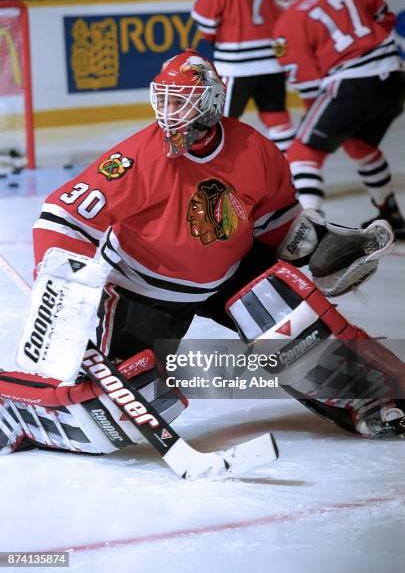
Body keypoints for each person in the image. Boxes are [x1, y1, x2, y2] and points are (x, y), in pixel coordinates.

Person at [1, 49, 403, 457]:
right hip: (145, 290)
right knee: (130, 400)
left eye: (181, 101)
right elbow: (62, 217)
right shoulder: (139, 157)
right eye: (165, 99)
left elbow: (274, 221)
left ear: (210, 102)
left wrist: (317, 245)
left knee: (290, 318)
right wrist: (63, 286)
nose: (169, 112)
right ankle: (20, 416)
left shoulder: (255, 150)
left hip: (230, 272)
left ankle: (373, 401)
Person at [263, 0, 405, 238]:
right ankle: (391, 214)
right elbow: (384, 14)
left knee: (303, 152)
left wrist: (315, 124)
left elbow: (308, 85)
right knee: (359, 146)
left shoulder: (288, 21)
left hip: (352, 83)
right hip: (395, 78)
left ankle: (307, 228)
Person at [191, 0, 295, 153]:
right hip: (272, 56)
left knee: (219, 122)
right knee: (277, 117)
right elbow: (290, 3)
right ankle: (291, 173)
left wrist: (214, 37)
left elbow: (205, 18)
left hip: (236, 60)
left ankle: (222, 176)